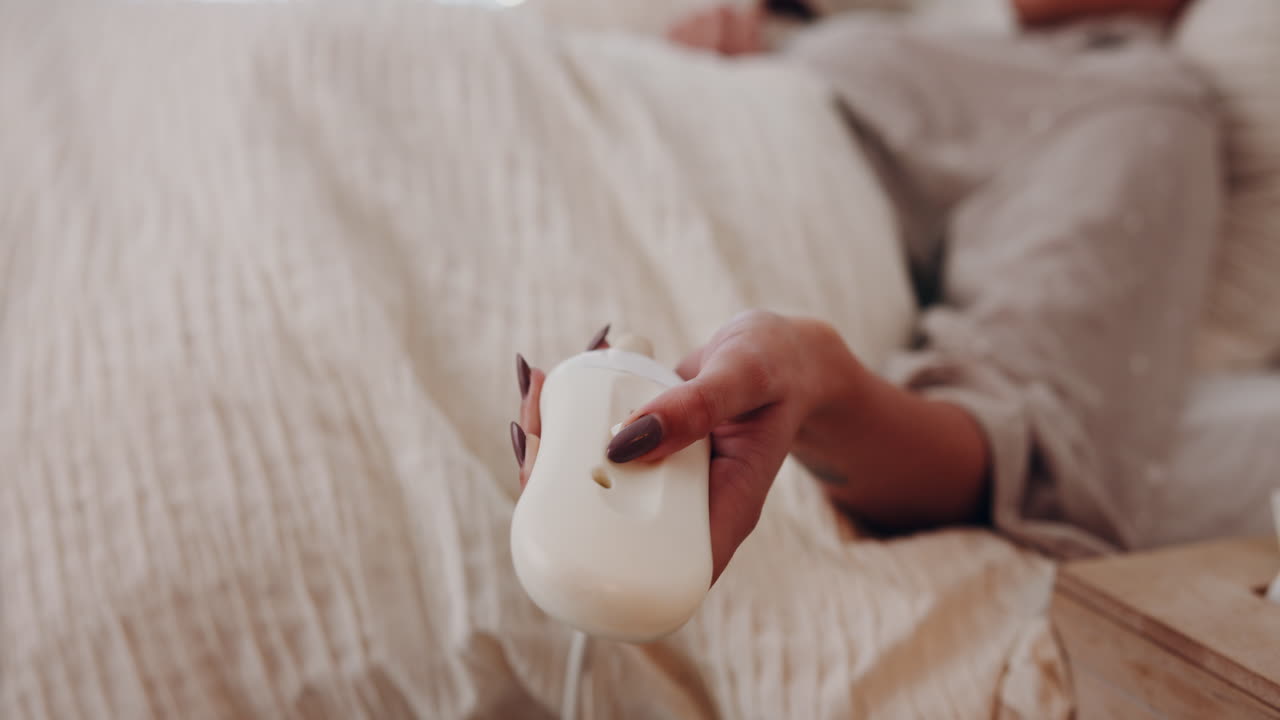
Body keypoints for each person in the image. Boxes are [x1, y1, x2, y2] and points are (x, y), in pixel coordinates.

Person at [512, 0, 1230, 582]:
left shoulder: (1144, 111)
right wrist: (758, 39)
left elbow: (1023, 456)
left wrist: (817, 380)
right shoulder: (950, 30)